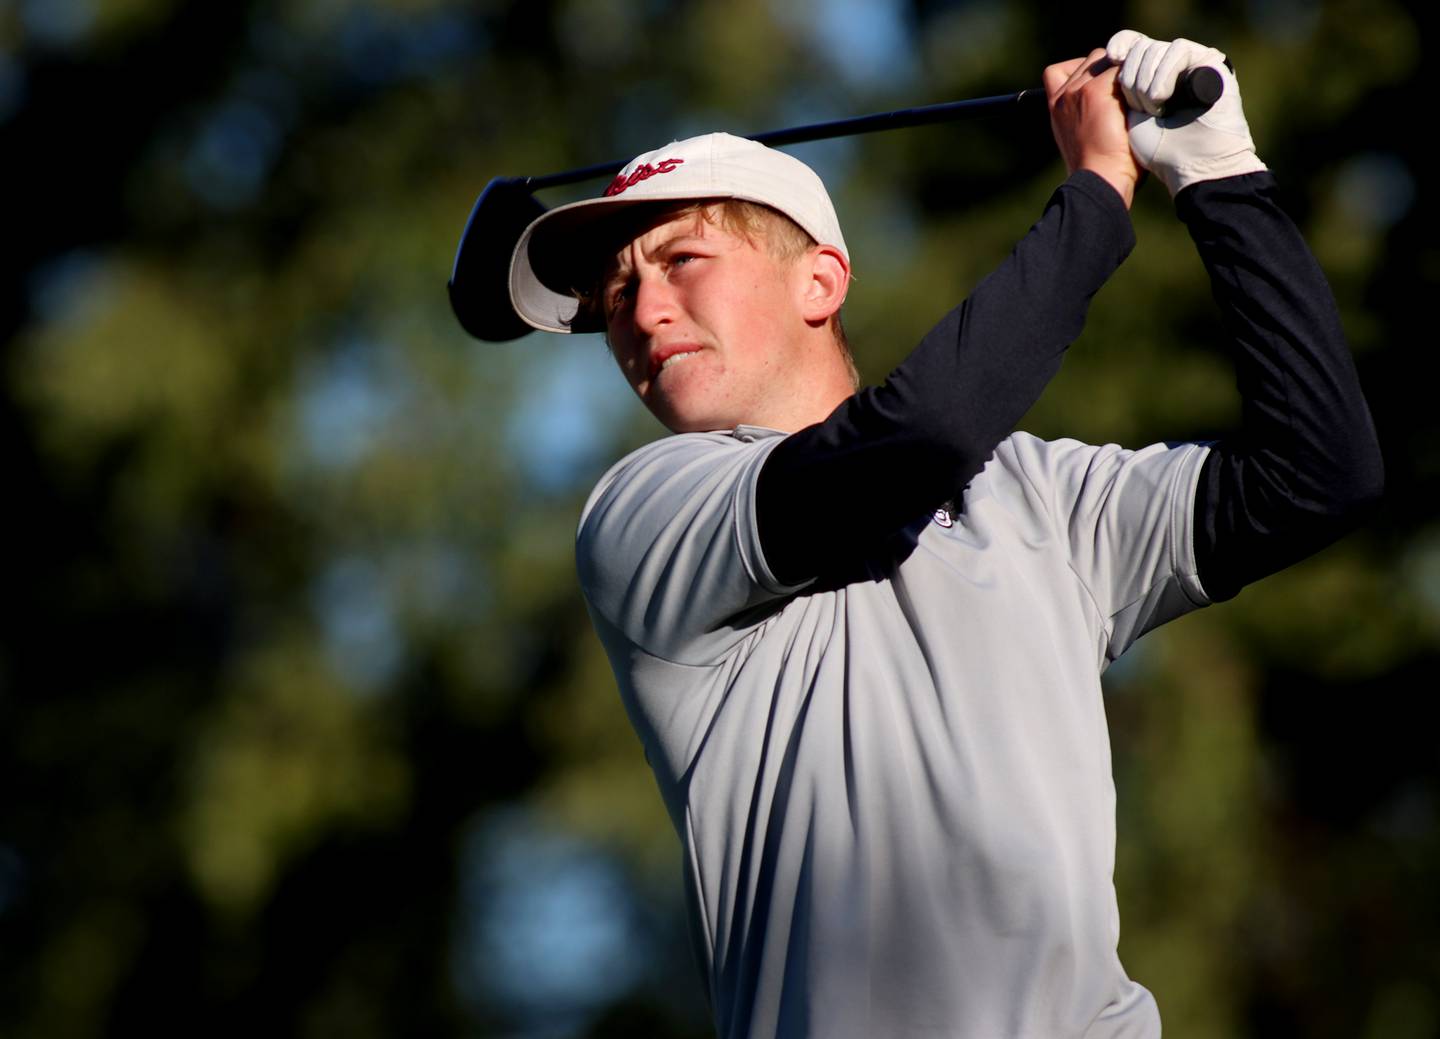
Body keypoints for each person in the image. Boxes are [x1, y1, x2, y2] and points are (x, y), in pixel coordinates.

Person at [505, 30, 1382, 1039]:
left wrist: (1223, 182)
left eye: (683, 259)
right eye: (617, 295)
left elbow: (1320, 473)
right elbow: (912, 442)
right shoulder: (644, 513)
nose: (643, 311)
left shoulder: (1040, 492)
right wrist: (1097, 190)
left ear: (820, 283)